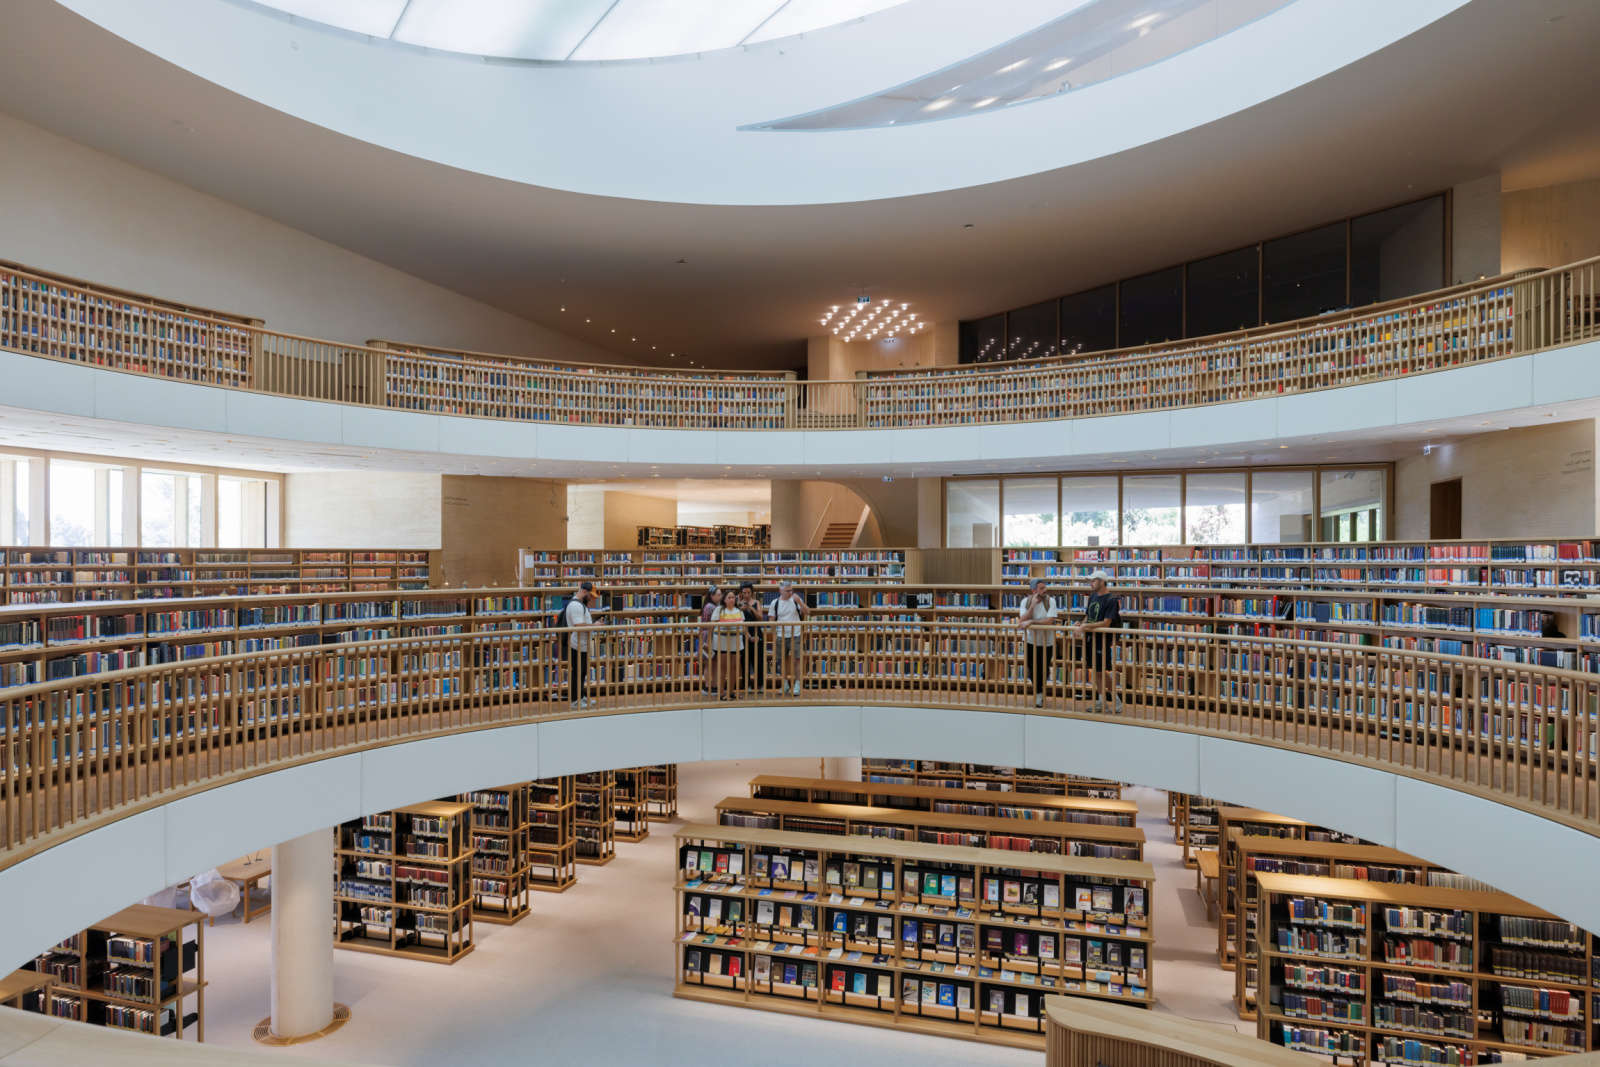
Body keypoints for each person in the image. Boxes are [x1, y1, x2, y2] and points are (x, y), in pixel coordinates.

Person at [1072, 571, 1122, 713]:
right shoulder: (1093, 596)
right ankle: (1101, 701)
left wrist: (1085, 627)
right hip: (1090, 638)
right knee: (1096, 670)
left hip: (1102, 639)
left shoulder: (1112, 600)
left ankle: (1116, 700)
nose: (1091, 583)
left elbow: (1106, 623)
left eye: (1093, 580)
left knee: (1101, 671)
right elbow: (1088, 616)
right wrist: (1080, 624)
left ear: (1101, 581)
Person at [1016, 578, 1061, 708]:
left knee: (1043, 668)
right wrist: (1032, 607)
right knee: (1031, 668)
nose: (1045, 590)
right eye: (1041, 588)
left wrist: (1032, 622)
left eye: (1044, 587)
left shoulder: (1050, 601)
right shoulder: (1026, 601)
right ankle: (1038, 692)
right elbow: (1021, 620)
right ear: (1034, 590)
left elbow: (1050, 620)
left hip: (1047, 642)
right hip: (1030, 641)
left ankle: (1040, 693)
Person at [768, 580, 809, 695]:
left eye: (791, 590)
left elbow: (808, 612)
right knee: (781, 660)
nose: (790, 592)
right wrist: (774, 634)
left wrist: (800, 602)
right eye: (787, 590)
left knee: (797, 660)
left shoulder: (796, 601)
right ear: (780, 591)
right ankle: (785, 684)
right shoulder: (774, 603)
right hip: (781, 635)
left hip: (795, 634)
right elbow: (771, 619)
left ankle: (797, 685)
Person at [564, 581, 600, 708]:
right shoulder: (575, 605)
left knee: (582, 672)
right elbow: (578, 625)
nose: (591, 599)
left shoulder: (580, 605)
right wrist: (594, 626)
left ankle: (581, 696)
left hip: (582, 644)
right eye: (591, 596)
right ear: (584, 592)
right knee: (577, 673)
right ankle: (575, 700)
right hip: (577, 645)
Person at [714, 592, 746, 699]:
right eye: (729, 597)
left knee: (734, 668)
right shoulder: (719, 610)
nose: (731, 599)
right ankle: (721, 692)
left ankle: (731, 691)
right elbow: (713, 624)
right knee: (722, 668)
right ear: (724, 599)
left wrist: (749, 636)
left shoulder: (739, 611)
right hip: (722, 641)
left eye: (733, 597)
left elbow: (744, 626)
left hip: (736, 641)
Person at [736, 583, 767, 692]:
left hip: (757, 633)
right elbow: (737, 619)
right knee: (745, 660)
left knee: (758, 660)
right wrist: (741, 608)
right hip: (743, 634)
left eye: (748, 592)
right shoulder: (738, 604)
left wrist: (750, 608)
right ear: (741, 593)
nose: (746, 595)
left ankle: (760, 685)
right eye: (744, 593)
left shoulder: (756, 603)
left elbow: (760, 618)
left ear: (752, 593)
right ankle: (747, 685)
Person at [698, 587, 723, 695]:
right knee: (709, 663)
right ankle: (708, 686)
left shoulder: (712, 606)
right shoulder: (711, 607)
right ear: (712, 596)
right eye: (718, 594)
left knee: (713, 662)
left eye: (721, 594)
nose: (720, 596)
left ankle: (713, 685)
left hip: (710, 636)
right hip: (709, 637)